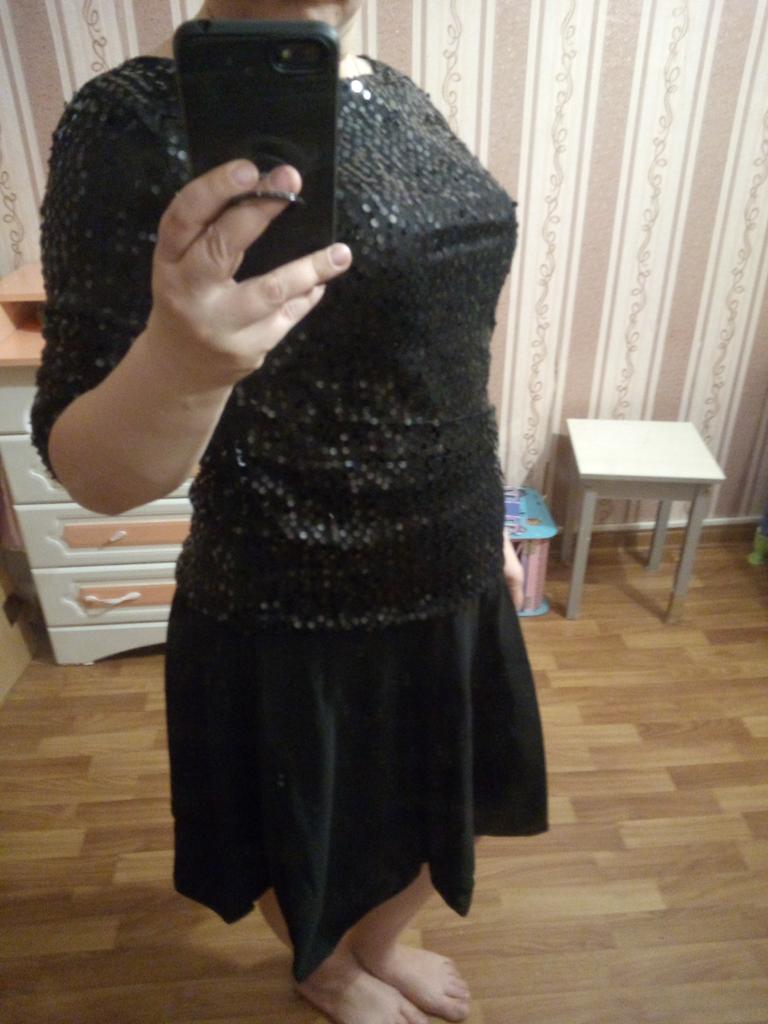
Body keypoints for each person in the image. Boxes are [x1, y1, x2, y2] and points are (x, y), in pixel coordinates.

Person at [30, 1, 548, 1022]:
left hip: (449, 547)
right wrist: (180, 362)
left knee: (442, 795)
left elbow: (448, 345)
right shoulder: (128, 121)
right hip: (286, 584)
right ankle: (325, 967)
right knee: (301, 826)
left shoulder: (397, 92)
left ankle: (379, 944)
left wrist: (485, 504)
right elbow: (89, 468)